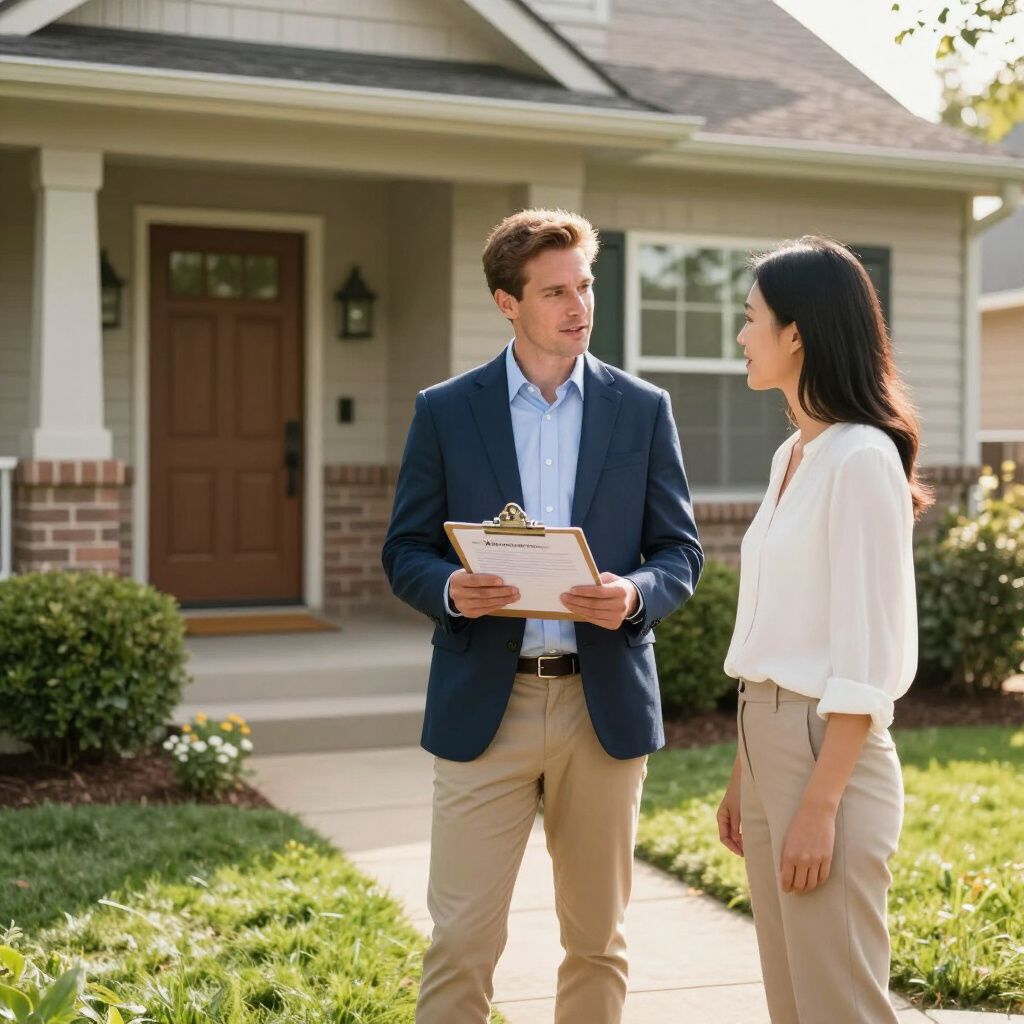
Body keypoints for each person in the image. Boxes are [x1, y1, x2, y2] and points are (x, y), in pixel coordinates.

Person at [382, 208, 703, 1024]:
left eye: (585, 286)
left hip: (604, 712)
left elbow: (680, 554)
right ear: (507, 302)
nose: (578, 306)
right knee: (460, 940)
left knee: (597, 941)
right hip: (485, 708)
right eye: (555, 291)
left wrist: (632, 594)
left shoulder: (642, 409)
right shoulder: (447, 411)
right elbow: (405, 550)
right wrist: (453, 589)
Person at [717, 235, 932, 1023]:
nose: (742, 336)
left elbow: (866, 655)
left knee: (839, 1004)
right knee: (794, 1003)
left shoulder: (862, 459)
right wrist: (746, 773)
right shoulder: (791, 457)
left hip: (826, 751)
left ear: (797, 333)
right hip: (769, 737)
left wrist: (819, 803)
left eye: (752, 320)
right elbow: (778, 628)